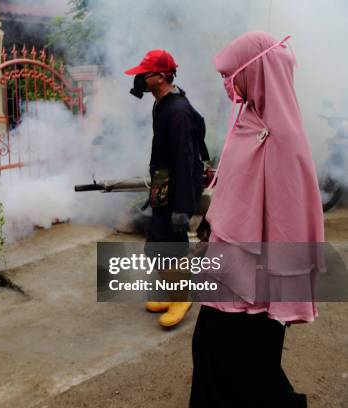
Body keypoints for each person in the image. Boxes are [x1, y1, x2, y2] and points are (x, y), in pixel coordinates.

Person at [190, 32, 325, 407]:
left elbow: (291, 223)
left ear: (257, 71)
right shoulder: (248, 119)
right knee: (213, 356)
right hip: (227, 269)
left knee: (247, 367)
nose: (226, 83)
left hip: (259, 289)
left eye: (230, 74)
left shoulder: (285, 138)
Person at [125, 49, 206, 328]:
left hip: (178, 188)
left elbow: (185, 162)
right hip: (164, 184)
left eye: (143, 74)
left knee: (172, 243)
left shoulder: (178, 111)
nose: (138, 79)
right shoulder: (162, 103)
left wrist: (183, 208)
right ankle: (175, 293)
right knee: (158, 243)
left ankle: (182, 298)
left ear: (160, 77)